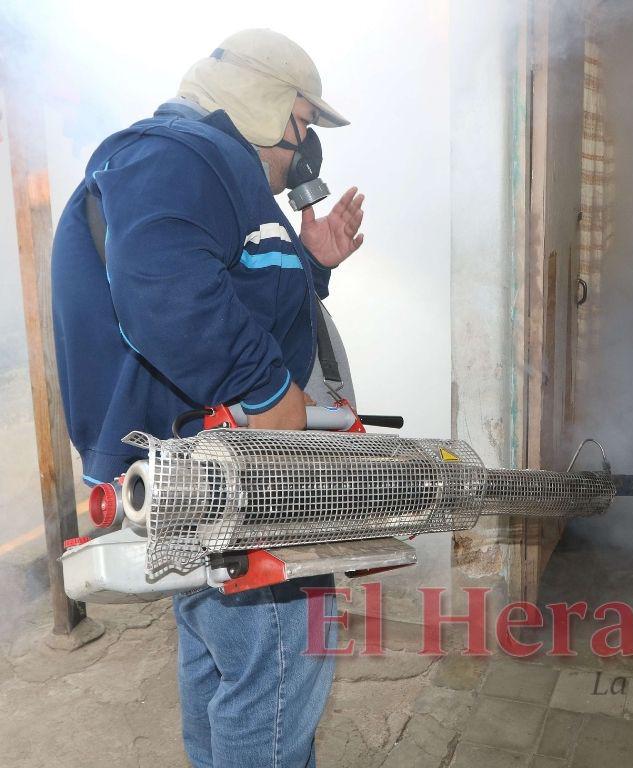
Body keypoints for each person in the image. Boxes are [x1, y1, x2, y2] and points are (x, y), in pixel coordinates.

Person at [51, 29, 364, 767]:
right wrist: (263, 386)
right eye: (305, 125)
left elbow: (234, 294)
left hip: (204, 469)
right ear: (272, 107)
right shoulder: (179, 153)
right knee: (275, 677)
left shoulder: (211, 172)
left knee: (221, 660)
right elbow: (162, 289)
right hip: (229, 475)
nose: (307, 148)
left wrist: (310, 267)